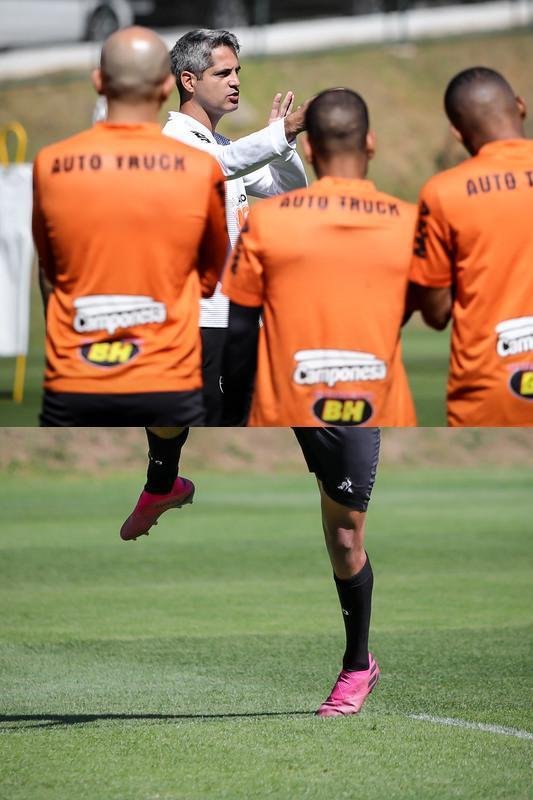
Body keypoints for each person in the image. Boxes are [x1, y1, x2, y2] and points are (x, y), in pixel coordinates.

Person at [32, 27, 227, 426]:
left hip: (76, 377)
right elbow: (209, 278)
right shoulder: (200, 169)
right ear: (165, 87)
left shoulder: (51, 164)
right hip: (167, 379)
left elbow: (51, 275)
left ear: (98, 82)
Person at [120, 425, 381, 717]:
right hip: (273, 382)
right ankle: (161, 481)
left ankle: (359, 666)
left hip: (338, 394)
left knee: (345, 542)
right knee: (169, 388)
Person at [220, 88, 417, 426]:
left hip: (284, 406)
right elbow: (436, 310)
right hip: (380, 407)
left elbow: (240, 326)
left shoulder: (265, 221)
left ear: (309, 150)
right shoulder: (410, 220)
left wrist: (237, 399)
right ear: (370, 142)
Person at [163, 29, 308, 424]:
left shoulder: (222, 144)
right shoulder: (175, 140)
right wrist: (282, 132)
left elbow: (288, 192)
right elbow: (218, 166)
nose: (236, 81)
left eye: (237, 72)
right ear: (188, 81)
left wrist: (284, 145)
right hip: (201, 321)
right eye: (223, 73)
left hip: (238, 320)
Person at [409, 66, 533, 426]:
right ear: (520, 106)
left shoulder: (443, 193)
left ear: (457, 131)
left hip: (491, 392)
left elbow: (436, 313)